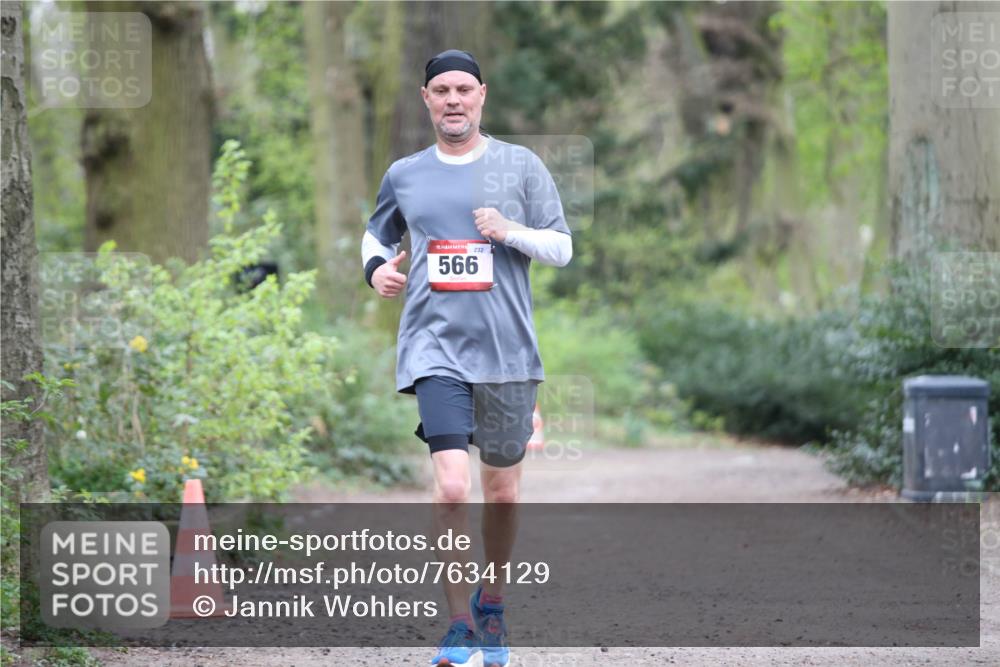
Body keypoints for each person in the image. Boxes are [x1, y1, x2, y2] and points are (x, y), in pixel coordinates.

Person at [361, 49, 572, 667]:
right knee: (452, 486)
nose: (453, 100)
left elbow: (561, 246)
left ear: (482, 95)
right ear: (426, 99)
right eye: (441, 91)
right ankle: (457, 625)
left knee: (501, 493)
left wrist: (509, 232)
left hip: (508, 353)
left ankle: (494, 599)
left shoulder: (521, 165)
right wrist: (377, 271)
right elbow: (377, 234)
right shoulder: (405, 173)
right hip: (434, 347)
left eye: (463, 90)